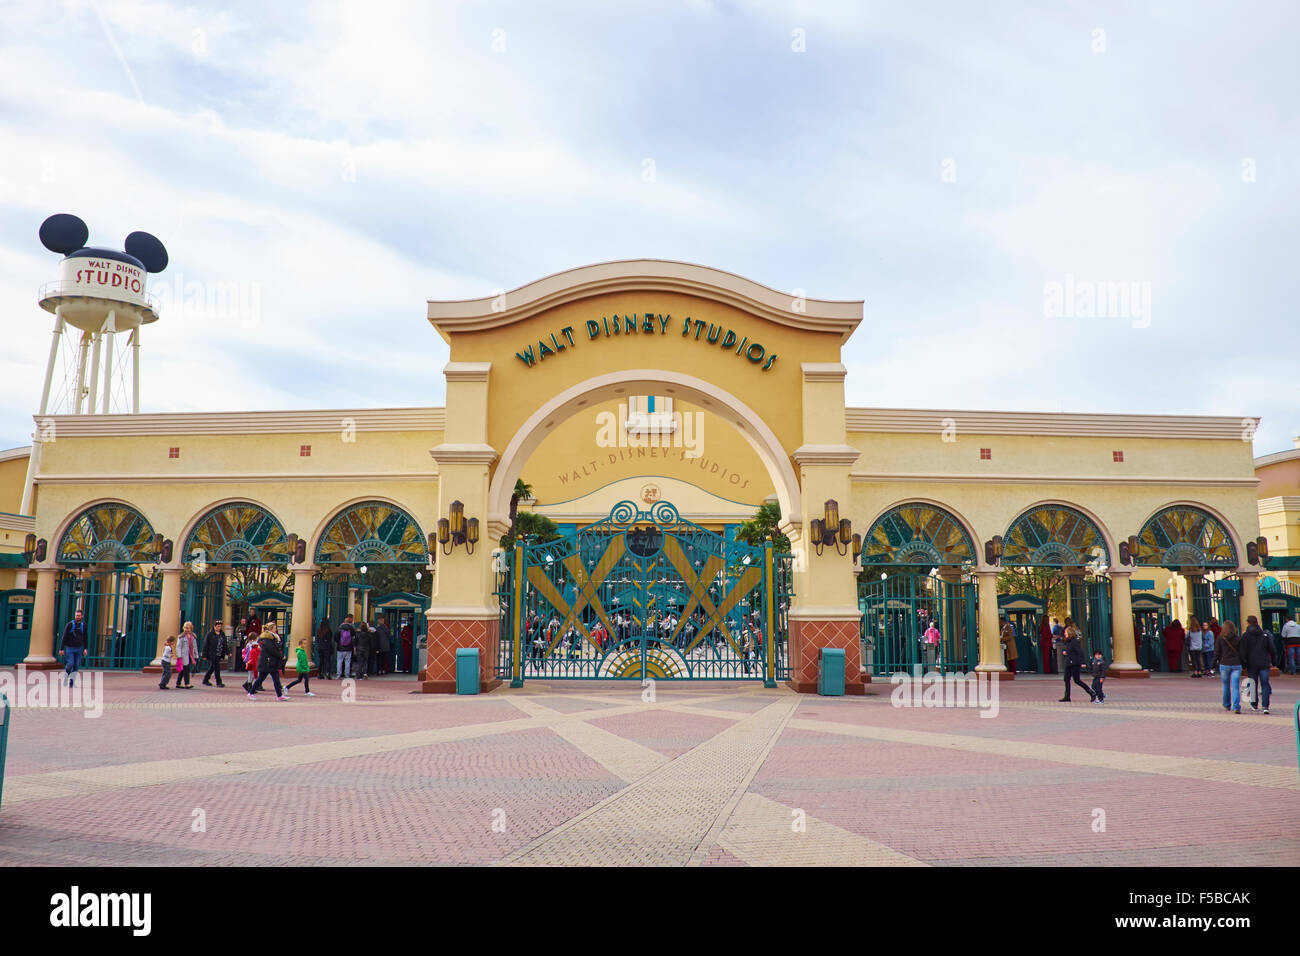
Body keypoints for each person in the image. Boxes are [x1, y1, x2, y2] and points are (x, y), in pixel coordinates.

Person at [1240, 615, 1275, 715]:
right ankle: (1265, 706)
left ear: (1248, 623)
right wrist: (1274, 661)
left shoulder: (1246, 636)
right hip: (1264, 663)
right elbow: (1272, 649)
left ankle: (1254, 704)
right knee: (1265, 684)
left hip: (1251, 663)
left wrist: (1244, 663)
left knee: (1252, 683)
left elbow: (1243, 651)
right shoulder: (1264, 634)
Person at [248, 624, 287, 700]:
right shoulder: (267, 639)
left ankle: (279, 696)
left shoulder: (273, 637)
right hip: (267, 662)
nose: (276, 629)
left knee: (276, 679)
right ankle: (251, 693)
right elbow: (272, 650)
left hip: (271, 662)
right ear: (270, 629)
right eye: (274, 628)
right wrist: (281, 656)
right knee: (261, 678)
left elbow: (276, 648)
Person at [1213, 619, 1243, 714]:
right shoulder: (1238, 638)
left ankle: (1227, 704)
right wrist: (1243, 663)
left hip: (1224, 664)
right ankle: (1236, 706)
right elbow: (1242, 652)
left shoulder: (1220, 638)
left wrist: (1213, 663)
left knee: (1226, 686)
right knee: (1235, 686)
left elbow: (1217, 652)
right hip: (1236, 664)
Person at [1059, 622, 1095, 702]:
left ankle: (1091, 692)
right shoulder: (1068, 642)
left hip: (1075, 663)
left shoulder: (1074, 642)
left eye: (1065, 633)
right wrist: (1066, 653)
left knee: (1077, 680)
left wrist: (1082, 662)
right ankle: (1067, 696)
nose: (1064, 634)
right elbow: (1071, 651)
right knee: (1066, 679)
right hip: (1069, 663)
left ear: (1069, 633)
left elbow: (1080, 652)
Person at [59, 609, 88, 687]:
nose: (77, 617)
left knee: (76, 666)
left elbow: (85, 637)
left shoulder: (84, 625)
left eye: (79, 615)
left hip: (79, 648)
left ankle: (72, 683)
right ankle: (66, 676)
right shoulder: (70, 624)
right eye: (76, 615)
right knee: (70, 664)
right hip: (70, 648)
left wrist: (85, 648)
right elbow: (64, 636)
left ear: (82, 616)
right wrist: (61, 649)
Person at [201, 619, 227, 687]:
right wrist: (204, 654)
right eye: (218, 626)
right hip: (212, 653)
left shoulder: (222, 634)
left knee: (212, 667)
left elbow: (225, 644)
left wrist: (228, 652)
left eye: (220, 626)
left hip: (219, 653)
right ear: (214, 626)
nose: (219, 628)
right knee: (217, 668)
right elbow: (206, 645)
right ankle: (219, 682)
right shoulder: (210, 634)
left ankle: (205, 680)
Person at [175, 621, 200, 689]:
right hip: (183, 655)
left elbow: (195, 647)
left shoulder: (193, 636)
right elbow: (178, 647)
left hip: (190, 655)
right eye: (185, 628)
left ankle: (178, 683)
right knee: (186, 669)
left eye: (188, 628)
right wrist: (179, 656)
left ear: (191, 628)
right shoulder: (181, 637)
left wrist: (196, 655)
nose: (187, 629)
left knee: (183, 670)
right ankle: (187, 684)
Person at [336, 614, 356, 679]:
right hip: (349, 648)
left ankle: (339, 674)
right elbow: (354, 636)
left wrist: (339, 642)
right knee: (347, 662)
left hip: (340, 648)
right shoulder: (351, 628)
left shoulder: (340, 628)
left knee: (339, 661)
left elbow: (336, 638)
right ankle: (347, 674)